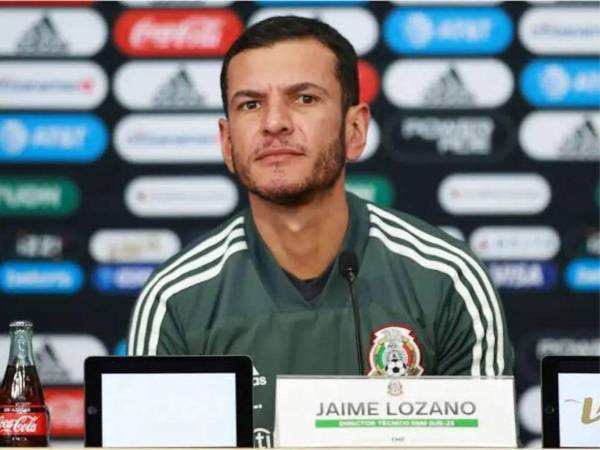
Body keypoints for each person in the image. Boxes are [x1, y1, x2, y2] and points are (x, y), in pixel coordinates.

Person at [127, 15, 513, 447]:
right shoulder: (176, 297)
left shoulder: (448, 278)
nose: (274, 123)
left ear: (355, 129)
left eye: (304, 98)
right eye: (250, 104)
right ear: (226, 142)